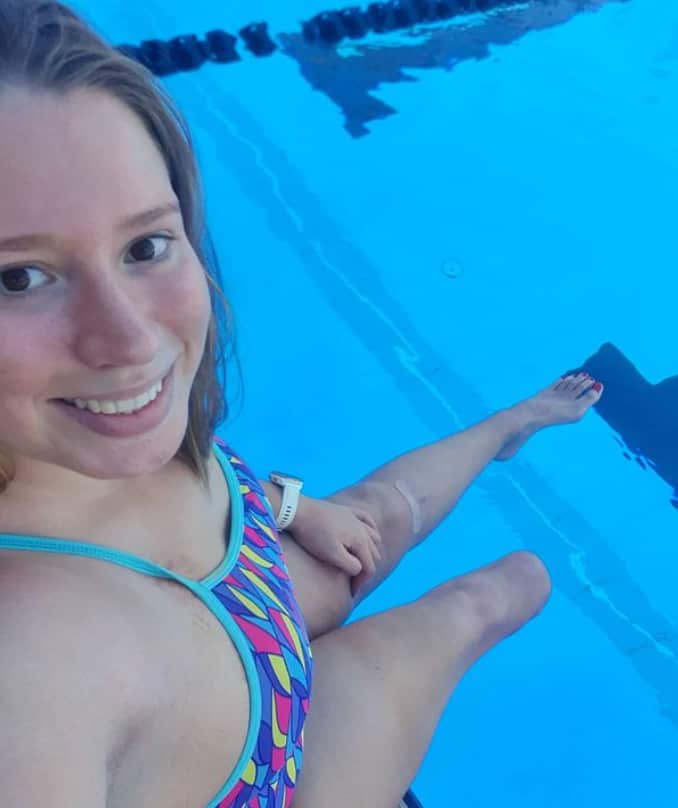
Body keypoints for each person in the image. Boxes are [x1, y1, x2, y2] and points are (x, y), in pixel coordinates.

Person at [0, 3, 603, 807]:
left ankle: (507, 426)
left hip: (242, 578)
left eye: (146, 245)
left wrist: (285, 505)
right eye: (18, 278)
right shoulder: (28, 682)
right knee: (491, 596)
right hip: (286, 779)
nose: (132, 339)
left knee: (424, 539)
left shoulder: (92, 426)